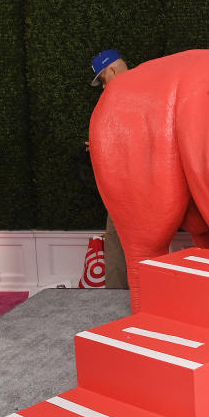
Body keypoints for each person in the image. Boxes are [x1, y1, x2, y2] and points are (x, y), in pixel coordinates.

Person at [88, 49, 129, 289]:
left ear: (112, 70)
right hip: (155, 185)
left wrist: (101, 145)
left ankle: (115, 301)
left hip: (125, 186)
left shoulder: (118, 98)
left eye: (103, 81)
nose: (104, 88)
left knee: (115, 240)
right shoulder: (151, 86)